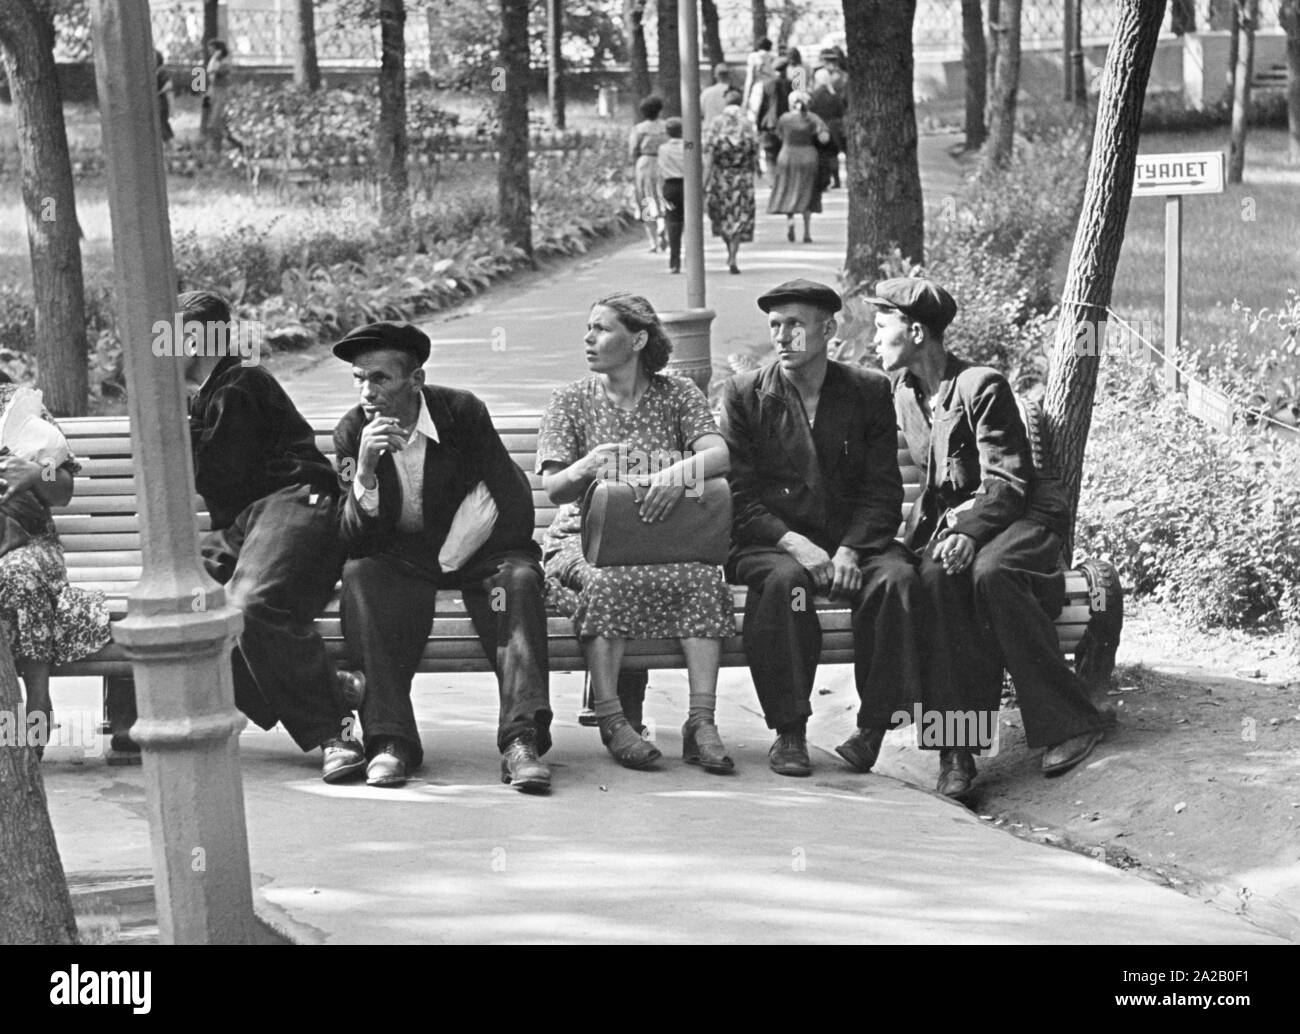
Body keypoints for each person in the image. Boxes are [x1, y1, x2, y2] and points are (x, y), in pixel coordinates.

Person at [868, 277, 1107, 798]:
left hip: (1022, 518)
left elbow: (1008, 481)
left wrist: (970, 534)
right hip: (963, 528)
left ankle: (1071, 722)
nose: (873, 339)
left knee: (991, 575)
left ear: (914, 331)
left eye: (880, 327)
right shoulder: (906, 392)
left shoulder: (981, 385)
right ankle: (958, 753)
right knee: (935, 579)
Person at [333, 322, 553, 792]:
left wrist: (451, 559)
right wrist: (366, 472)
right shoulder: (354, 431)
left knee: (517, 581)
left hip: (481, 551)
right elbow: (351, 537)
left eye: (380, 378)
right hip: (401, 559)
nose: (367, 391)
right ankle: (390, 742)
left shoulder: (461, 413)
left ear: (416, 380)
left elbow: (505, 499)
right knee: (361, 576)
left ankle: (521, 740)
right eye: (359, 378)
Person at [720, 280, 922, 778]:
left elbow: (882, 489)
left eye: (795, 325)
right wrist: (794, 544)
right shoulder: (747, 394)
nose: (783, 337)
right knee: (785, 587)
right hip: (773, 541)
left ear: (828, 330)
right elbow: (738, 495)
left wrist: (852, 550)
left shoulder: (867, 389)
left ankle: (874, 727)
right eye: (775, 326)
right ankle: (790, 730)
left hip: (852, 541)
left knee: (896, 580)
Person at [537, 294, 735, 773]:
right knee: (607, 583)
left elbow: (719, 454)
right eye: (589, 328)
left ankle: (701, 721)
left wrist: (674, 476)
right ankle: (612, 717)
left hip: (660, 539)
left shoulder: (677, 394)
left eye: (601, 329)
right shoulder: (571, 400)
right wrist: (586, 467)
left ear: (638, 339)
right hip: (586, 541)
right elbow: (554, 488)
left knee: (705, 580)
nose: (589, 338)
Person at [181, 290, 365, 784]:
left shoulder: (241, 383)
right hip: (246, 520)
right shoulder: (208, 393)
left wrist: (180, 424)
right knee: (181, 602)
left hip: (295, 500)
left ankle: (335, 732)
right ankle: (334, 687)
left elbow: (221, 475)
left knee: (252, 605)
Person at [0, 373, 111, 758]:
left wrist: (35, 473)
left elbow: (62, 489)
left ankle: (37, 702)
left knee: (20, 576)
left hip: (28, 541)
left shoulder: (19, 404)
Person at [704, 88, 760, 275]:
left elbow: (709, 154)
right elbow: (755, 152)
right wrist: (756, 171)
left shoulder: (717, 124)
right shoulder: (748, 125)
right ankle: (733, 255)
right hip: (743, 179)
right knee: (740, 217)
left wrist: (704, 183)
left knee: (723, 217)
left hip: (721, 179)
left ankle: (730, 250)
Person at [767, 90, 830, 243]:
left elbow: (779, 135)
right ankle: (807, 231)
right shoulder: (813, 118)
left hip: (787, 156)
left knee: (788, 189)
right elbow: (824, 139)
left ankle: (790, 222)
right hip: (808, 157)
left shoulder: (784, 118)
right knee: (807, 192)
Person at [628, 95, 668, 253]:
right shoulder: (666, 127)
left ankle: (653, 242)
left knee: (645, 199)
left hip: (644, 163)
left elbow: (633, 151)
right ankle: (663, 225)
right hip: (663, 162)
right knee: (662, 197)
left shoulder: (639, 129)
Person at [807, 67, 846, 191]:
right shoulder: (834, 96)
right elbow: (841, 112)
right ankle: (837, 179)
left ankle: (824, 180)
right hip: (834, 127)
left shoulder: (813, 95)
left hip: (819, 129)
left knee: (822, 155)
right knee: (833, 155)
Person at [755, 56, 794, 175]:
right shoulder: (790, 84)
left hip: (769, 124)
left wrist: (759, 125)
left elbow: (763, 106)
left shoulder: (767, 85)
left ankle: (773, 180)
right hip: (785, 124)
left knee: (770, 154)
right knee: (783, 152)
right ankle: (781, 178)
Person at [656, 117, 685, 274]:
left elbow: (660, 170)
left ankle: (675, 262)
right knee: (692, 224)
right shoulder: (688, 147)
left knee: (673, 223)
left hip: (670, 187)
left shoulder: (663, 149)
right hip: (687, 186)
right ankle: (694, 260)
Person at [202, 38, 232, 154]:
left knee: (215, 122)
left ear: (219, 51)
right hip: (212, 92)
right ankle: (214, 149)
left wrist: (214, 59)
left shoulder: (224, 63)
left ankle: (216, 149)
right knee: (214, 122)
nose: (210, 53)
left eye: (212, 50)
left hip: (220, 93)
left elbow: (212, 76)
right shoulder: (214, 62)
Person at [742, 37, 776, 121]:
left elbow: (750, 78)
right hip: (772, 86)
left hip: (759, 87)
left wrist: (745, 98)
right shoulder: (774, 57)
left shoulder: (753, 56)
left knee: (753, 116)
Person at [155, 50, 175, 147]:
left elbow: (169, 84)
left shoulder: (161, 70)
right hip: (159, 101)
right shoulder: (155, 71)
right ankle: (172, 145)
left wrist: (159, 93)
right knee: (163, 123)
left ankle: (171, 145)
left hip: (161, 101)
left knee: (161, 123)